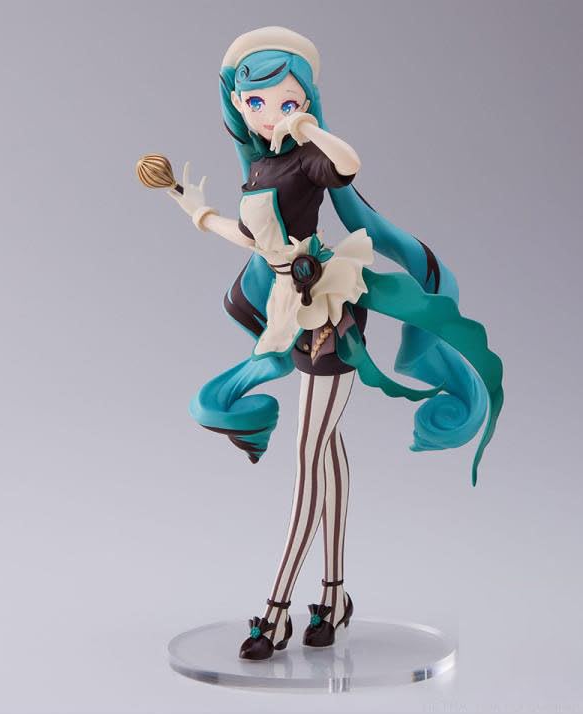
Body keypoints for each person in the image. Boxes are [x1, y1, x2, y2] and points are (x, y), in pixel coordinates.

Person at [165, 26, 504, 661]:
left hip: (328, 313)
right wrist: (198, 212)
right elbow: (259, 240)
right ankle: (335, 593)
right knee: (326, 452)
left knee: (307, 458)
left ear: (306, 101)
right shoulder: (263, 166)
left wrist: (309, 126)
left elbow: (348, 164)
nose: (272, 114)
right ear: (239, 106)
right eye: (257, 102)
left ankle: (275, 610)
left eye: (287, 100)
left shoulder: (308, 158)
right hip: (292, 310)